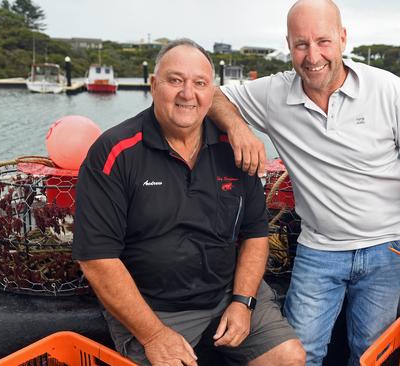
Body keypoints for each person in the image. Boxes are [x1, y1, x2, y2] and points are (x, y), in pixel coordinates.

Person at [207, 1, 400, 365]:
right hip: (319, 249)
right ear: (288, 45)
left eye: (323, 41)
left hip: (388, 248)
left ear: (342, 38)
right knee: (301, 356)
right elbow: (212, 94)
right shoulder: (274, 93)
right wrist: (238, 126)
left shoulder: (386, 87)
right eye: (301, 44)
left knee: (371, 355)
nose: (313, 55)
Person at [72, 38, 305, 366]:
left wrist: (242, 301)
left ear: (212, 92)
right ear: (154, 85)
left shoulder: (235, 149)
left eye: (199, 83)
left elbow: (255, 234)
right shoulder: (114, 153)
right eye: (175, 80)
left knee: (290, 357)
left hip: (227, 294)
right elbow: (97, 258)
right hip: (153, 310)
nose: (187, 94)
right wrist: (153, 335)